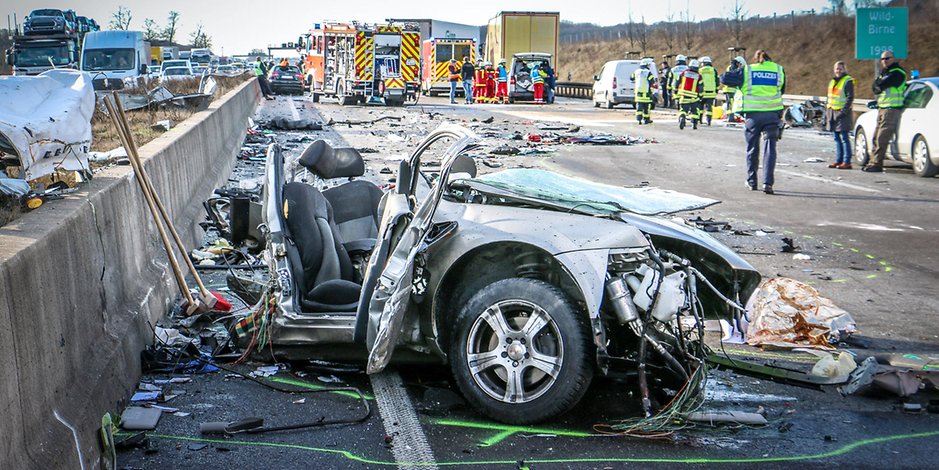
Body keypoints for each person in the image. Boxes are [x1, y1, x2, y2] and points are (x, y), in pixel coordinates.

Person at [734, 50, 785, 194]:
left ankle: (752, 181)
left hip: (753, 117)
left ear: (755, 59)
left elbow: (725, 79)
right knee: (770, 149)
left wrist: (735, 69)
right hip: (772, 115)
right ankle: (767, 184)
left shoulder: (748, 70)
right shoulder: (778, 70)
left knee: (752, 148)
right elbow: (782, 90)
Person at [863, 50, 907, 173]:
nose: (884, 61)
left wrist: (879, 84)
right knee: (876, 137)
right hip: (882, 108)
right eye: (882, 59)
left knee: (881, 138)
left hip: (892, 109)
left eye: (887, 58)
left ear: (893, 59)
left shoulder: (898, 73)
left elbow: (881, 85)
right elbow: (875, 87)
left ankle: (877, 164)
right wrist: (879, 84)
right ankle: (873, 162)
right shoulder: (885, 73)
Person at [825, 61, 856, 169]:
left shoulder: (847, 81)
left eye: (840, 69)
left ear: (844, 69)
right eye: (837, 69)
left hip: (842, 113)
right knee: (836, 138)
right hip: (832, 112)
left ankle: (847, 161)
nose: (838, 71)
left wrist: (844, 111)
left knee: (844, 138)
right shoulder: (832, 82)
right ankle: (839, 161)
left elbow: (850, 97)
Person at [677, 59, 704, 130]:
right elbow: (700, 87)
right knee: (695, 111)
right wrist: (701, 96)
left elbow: (677, 82)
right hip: (694, 97)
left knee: (683, 110)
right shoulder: (699, 76)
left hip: (684, 95)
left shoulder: (684, 73)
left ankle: (682, 117)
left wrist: (675, 92)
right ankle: (694, 124)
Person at [721, 56, 746, 122]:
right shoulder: (733, 68)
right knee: (731, 104)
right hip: (730, 89)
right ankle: (731, 117)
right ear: (738, 63)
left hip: (731, 89)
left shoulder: (731, 67)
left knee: (731, 104)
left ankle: (732, 117)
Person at [631, 58, 655, 124]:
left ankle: (639, 119)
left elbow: (631, 77)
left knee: (639, 106)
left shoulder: (636, 71)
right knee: (646, 107)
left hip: (638, 91)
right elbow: (652, 81)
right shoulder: (648, 72)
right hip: (646, 91)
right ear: (646, 65)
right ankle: (646, 119)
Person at [699, 56, 718, 126]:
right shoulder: (714, 70)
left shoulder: (700, 71)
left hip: (702, 92)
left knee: (700, 107)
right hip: (711, 92)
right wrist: (716, 89)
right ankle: (708, 121)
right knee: (709, 107)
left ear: (703, 63)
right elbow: (717, 81)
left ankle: (700, 120)